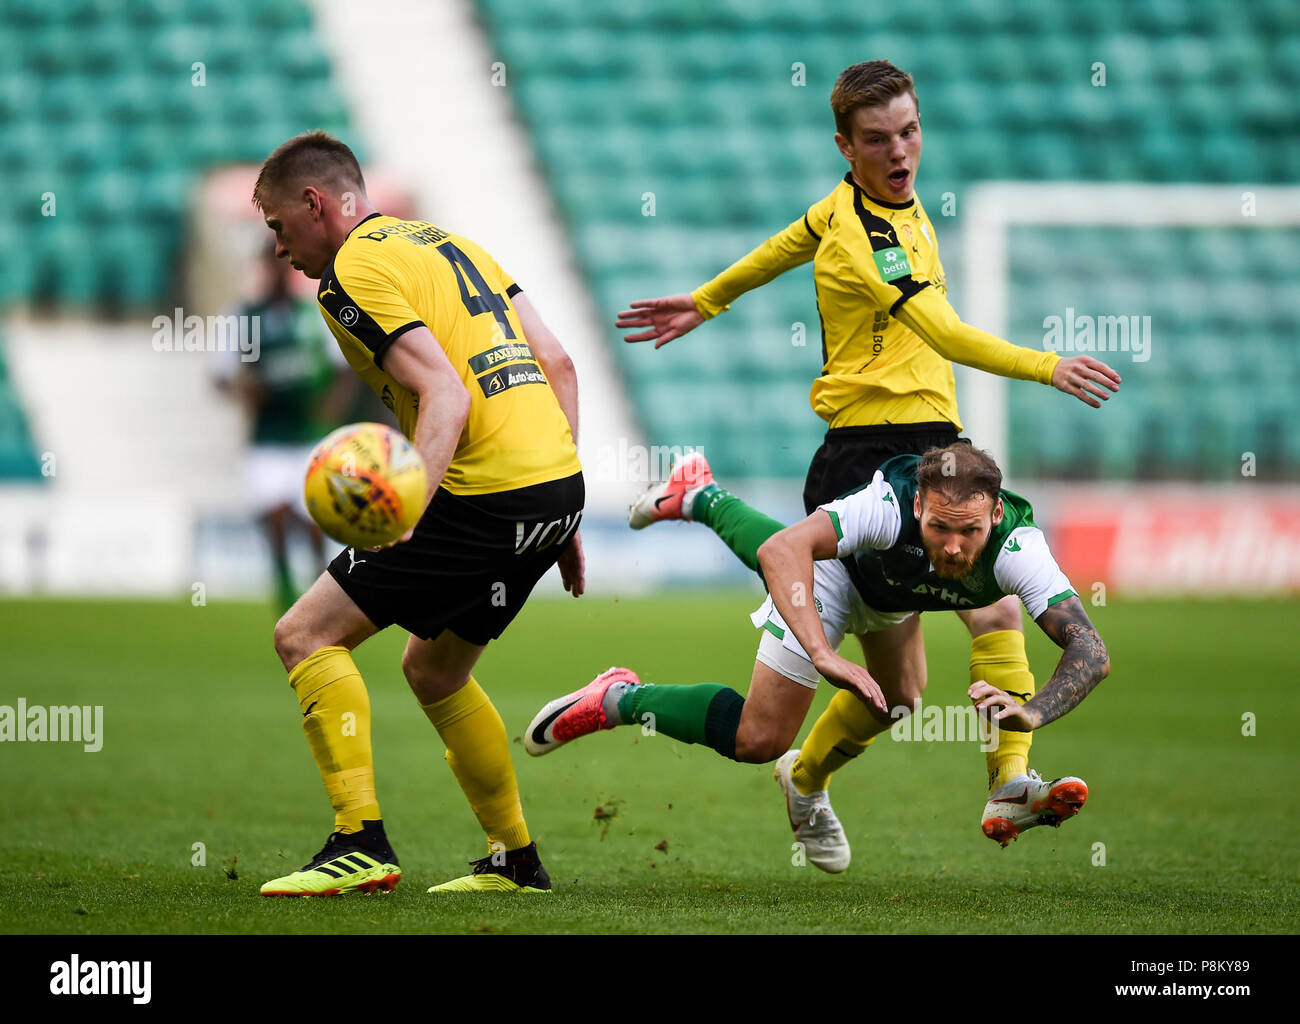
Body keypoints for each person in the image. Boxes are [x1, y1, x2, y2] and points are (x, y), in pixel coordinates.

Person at [614, 60, 1120, 854]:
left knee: (922, 670)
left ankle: (1003, 782)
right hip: (870, 450)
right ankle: (700, 519)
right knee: (920, 655)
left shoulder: (877, 205)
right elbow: (946, 335)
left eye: (910, 132)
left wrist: (708, 298)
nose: (900, 151)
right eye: (878, 139)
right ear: (845, 147)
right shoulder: (871, 235)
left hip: (931, 441)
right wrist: (1046, 364)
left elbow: (786, 243)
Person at [251, 131, 585, 896]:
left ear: (315, 204)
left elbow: (447, 394)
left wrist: (408, 505)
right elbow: (559, 363)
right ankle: (515, 860)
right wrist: (563, 510)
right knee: (435, 669)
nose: (278, 248)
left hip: (480, 489)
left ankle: (356, 842)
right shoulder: (452, 244)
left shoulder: (348, 276)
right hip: (552, 484)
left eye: (277, 226)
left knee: (303, 636)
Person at [525, 443, 1110, 870]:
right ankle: (618, 698)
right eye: (939, 528)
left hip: (887, 595)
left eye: (970, 532)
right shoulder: (884, 505)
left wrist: (1031, 713)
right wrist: (823, 654)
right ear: (916, 512)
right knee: (759, 738)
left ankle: (700, 494)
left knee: (902, 701)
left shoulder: (1020, 548)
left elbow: (1090, 649)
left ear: (996, 517)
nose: (954, 546)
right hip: (829, 579)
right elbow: (784, 549)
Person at [214, 243, 356, 613]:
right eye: (270, 265)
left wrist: (330, 409)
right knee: (274, 516)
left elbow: (343, 368)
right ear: (261, 268)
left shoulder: (314, 314)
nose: (277, 272)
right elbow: (221, 376)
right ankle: (283, 584)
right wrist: (243, 392)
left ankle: (319, 586)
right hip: (267, 436)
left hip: (309, 434)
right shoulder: (242, 318)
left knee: (312, 520)